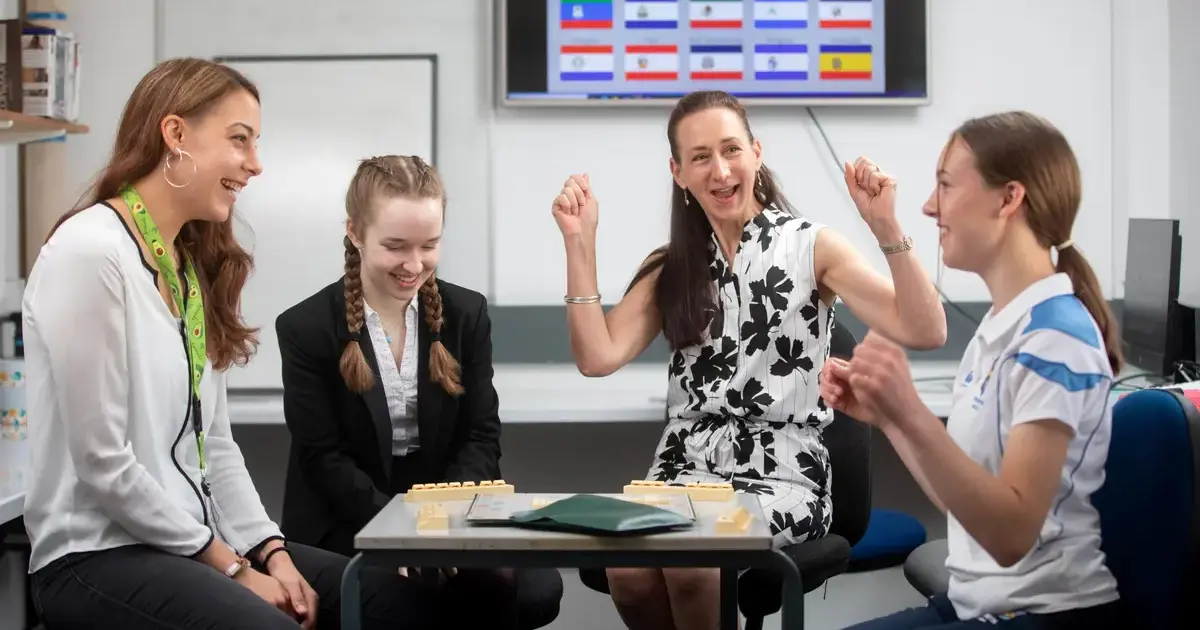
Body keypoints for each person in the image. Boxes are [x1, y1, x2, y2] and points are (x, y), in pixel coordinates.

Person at [21, 58, 442, 630]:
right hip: (96, 553)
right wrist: (233, 568)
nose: (256, 164)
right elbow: (103, 464)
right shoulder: (92, 254)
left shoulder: (188, 270)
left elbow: (214, 447)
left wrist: (271, 552)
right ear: (175, 135)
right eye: (239, 140)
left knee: (397, 604)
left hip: (193, 545)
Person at [551, 89, 948, 629]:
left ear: (757, 153)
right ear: (678, 172)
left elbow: (926, 329)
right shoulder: (674, 266)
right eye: (699, 157)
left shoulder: (813, 248)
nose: (719, 169)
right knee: (627, 565)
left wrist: (885, 226)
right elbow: (597, 356)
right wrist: (580, 242)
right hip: (681, 473)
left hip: (782, 476)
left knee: (693, 562)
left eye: (731, 149)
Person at [826, 111, 1124, 629]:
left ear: (1009, 198)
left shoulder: (1056, 339)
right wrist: (890, 419)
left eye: (945, 185)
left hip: (1042, 616)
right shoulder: (1001, 326)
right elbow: (967, 500)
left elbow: (1010, 536)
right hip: (976, 606)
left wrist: (912, 412)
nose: (928, 205)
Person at [275, 155, 564, 630]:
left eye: (429, 245)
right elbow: (323, 460)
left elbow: (481, 436)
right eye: (395, 246)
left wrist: (440, 526)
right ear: (354, 232)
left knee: (531, 588)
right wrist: (400, 535)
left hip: (444, 510)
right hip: (349, 518)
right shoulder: (306, 327)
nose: (414, 265)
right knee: (408, 603)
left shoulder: (465, 313)